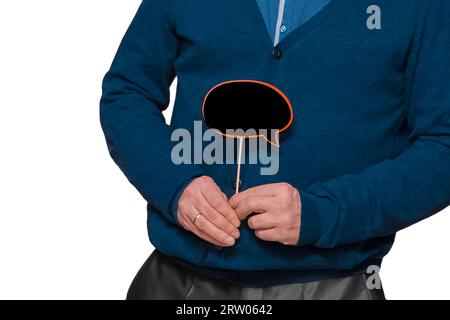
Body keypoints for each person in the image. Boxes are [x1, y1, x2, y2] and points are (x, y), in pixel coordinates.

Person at [100, 0, 450, 300]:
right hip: (176, 277)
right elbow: (127, 92)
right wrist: (175, 185)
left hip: (331, 285)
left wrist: (322, 213)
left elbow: (443, 147)